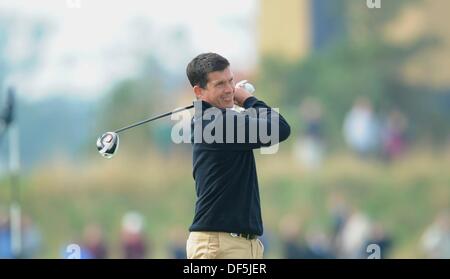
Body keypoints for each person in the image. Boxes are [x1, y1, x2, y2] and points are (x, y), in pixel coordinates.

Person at [185, 53, 291, 259]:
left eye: (231, 81)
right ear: (199, 91)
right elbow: (280, 128)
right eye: (220, 84)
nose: (229, 89)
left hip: (237, 245)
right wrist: (248, 99)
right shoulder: (217, 123)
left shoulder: (215, 120)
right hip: (220, 247)